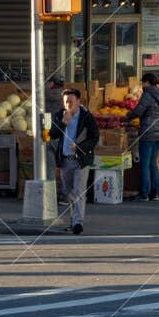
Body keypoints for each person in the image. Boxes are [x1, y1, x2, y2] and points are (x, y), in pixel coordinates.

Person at [47, 88, 99, 233]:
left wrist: (80, 147)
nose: (68, 105)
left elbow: (94, 137)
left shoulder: (86, 117)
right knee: (69, 192)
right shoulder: (60, 115)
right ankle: (73, 220)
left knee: (79, 191)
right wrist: (63, 123)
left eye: (71, 102)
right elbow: (52, 134)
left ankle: (78, 223)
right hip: (65, 160)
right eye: (65, 102)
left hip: (81, 160)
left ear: (78, 102)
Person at [125, 74, 159, 202]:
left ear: (147, 83)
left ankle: (144, 193)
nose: (142, 86)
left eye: (143, 83)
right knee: (152, 163)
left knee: (145, 164)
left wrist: (127, 116)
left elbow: (138, 111)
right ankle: (154, 194)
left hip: (148, 133)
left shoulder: (148, 94)